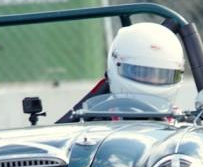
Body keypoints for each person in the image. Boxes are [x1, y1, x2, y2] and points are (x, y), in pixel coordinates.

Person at [56, 22, 185, 122]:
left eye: (161, 75)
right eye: (141, 72)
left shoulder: (182, 126)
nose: (152, 80)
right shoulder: (93, 126)